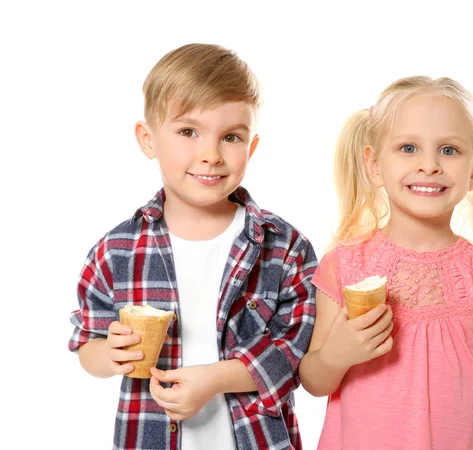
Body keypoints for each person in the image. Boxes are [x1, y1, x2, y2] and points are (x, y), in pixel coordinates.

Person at [68, 43, 317, 450]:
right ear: (148, 140)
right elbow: (87, 346)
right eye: (188, 132)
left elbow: (296, 353)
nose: (210, 155)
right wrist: (109, 353)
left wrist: (216, 379)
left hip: (256, 439)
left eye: (231, 137)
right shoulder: (116, 251)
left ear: (251, 147)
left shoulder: (284, 247)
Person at [299, 76, 473, 449]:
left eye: (449, 150)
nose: (429, 165)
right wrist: (336, 356)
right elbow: (314, 379)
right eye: (408, 147)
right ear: (374, 164)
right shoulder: (345, 265)